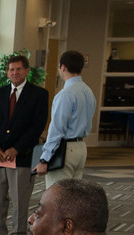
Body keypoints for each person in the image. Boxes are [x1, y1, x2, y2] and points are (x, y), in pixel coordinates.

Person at [0, 53, 49, 235]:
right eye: (11, 69)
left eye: (19, 69)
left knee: (20, 198)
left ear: (27, 71)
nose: (15, 73)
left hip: (21, 156)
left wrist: (17, 148)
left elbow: (37, 126)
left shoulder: (38, 94)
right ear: (7, 72)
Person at [36, 50, 97, 184]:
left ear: (62, 67)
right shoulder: (88, 91)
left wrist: (45, 159)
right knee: (72, 196)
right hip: (81, 148)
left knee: (57, 196)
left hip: (65, 149)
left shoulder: (65, 94)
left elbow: (57, 129)